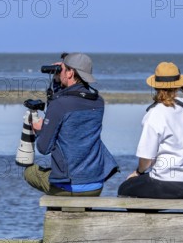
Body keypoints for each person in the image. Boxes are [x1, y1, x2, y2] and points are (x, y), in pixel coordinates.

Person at [24, 53, 119, 196]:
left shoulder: (60, 105)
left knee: (30, 172)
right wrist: (58, 80)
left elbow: (44, 148)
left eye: (62, 68)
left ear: (70, 73)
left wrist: (40, 130)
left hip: (69, 187)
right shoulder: (98, 102)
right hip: (96, 185)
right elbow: (70, 104)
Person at [118, 62, 183, 199]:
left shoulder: (155, 114)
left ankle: (148, 220)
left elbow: (146, 158)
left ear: (155, 86)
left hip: (167, 185)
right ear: (178, 85)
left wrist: (138, 172)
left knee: (125, 188)